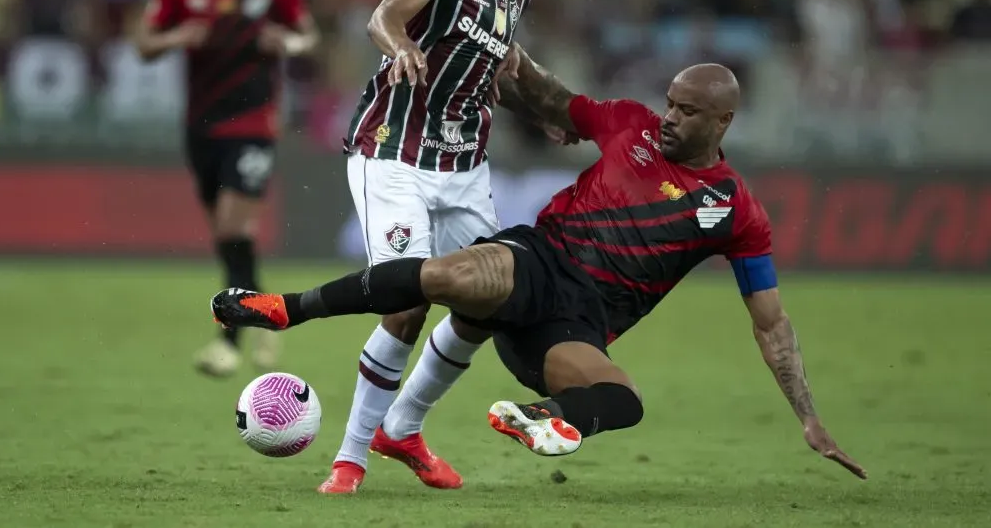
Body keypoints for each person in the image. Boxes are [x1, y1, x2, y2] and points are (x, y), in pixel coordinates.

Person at [212, 59, 868, 481]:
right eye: (670, 102)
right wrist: (513, 59)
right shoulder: (631, 125)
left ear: (723, 121)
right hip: (538, 260)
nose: (670, 117)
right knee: (445, 277)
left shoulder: (736, 210)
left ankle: (545, 416)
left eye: (688, 111)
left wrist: (808, 417)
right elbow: (557, 102)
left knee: (624, 400)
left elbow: (771, 323)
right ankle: (288, 308)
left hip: (580, 325)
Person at [321, 0, 571, 495]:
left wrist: (543, 114)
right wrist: (400, 45)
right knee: (407, 300)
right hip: (394, 151)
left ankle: (402, 429)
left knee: (486, 301)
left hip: (463, 166)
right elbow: (384, 17)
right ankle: (350, 459)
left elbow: (493, 68)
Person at [134, 0, 319, 377]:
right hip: (201, 127)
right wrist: (179, 35)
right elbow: (143, 44)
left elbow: (309, 37)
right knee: (227, 236)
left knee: (236, 228)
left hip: (254, 124)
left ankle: (229, 342)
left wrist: (287, 43)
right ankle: (265, 316)